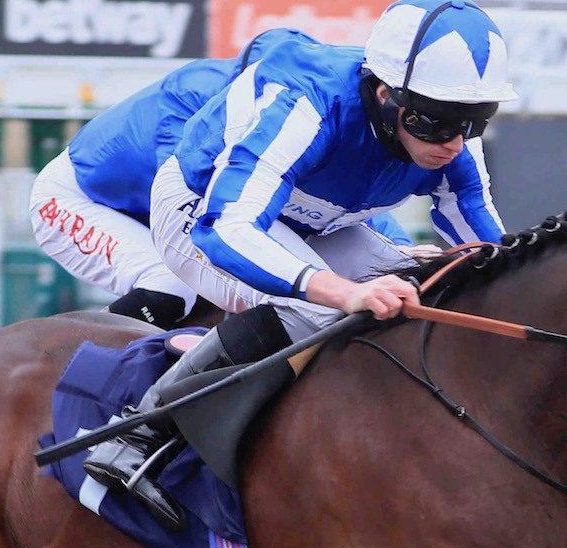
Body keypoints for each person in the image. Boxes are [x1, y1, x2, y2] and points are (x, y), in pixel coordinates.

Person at [81, 0, 514, 510]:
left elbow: (488, 249)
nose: (454, 143)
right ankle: (138, 433)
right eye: (436, 121)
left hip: (316, 221)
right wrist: (341, 292)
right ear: (385, 95)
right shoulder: (307, 102)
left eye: (473, 122)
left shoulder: (449, 139)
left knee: (415, 288)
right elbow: (228, 228)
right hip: (203, 212)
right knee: (322, 311)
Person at [28, 32, 415, 329]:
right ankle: (86, 366)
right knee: (170, 285)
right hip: (78, 199)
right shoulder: (197, 98)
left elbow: (326, 199)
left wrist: (397, 245)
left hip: (153, 208)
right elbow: (200, 203)